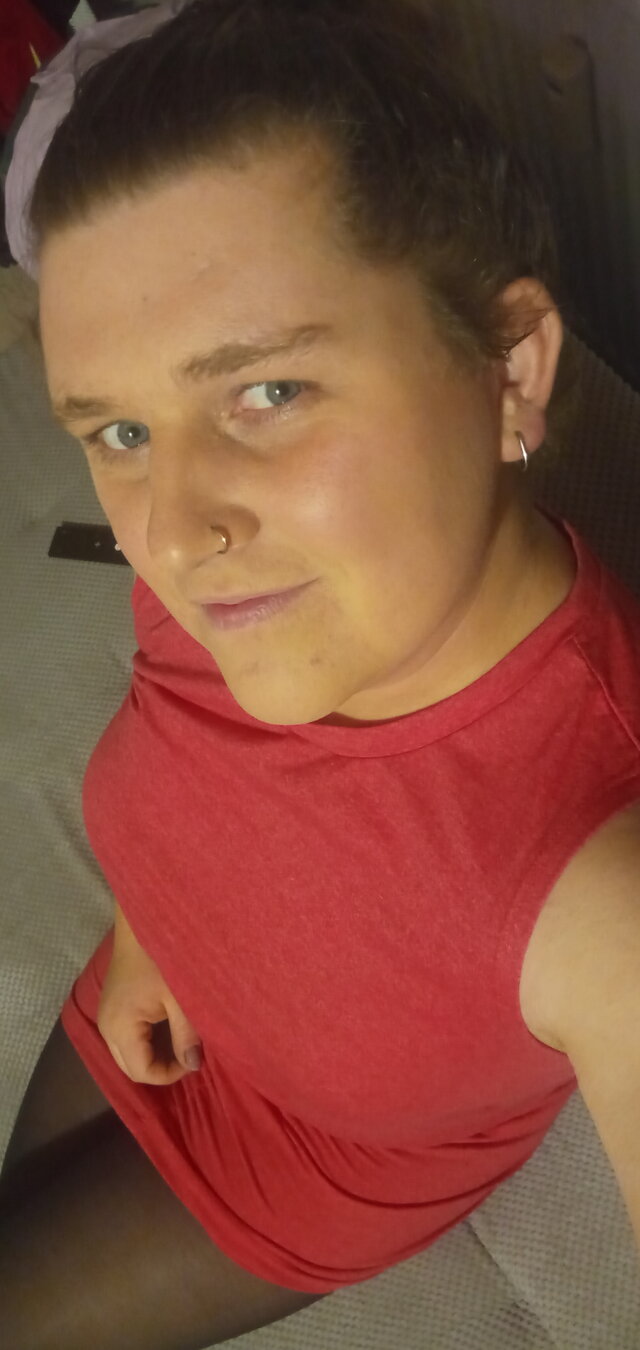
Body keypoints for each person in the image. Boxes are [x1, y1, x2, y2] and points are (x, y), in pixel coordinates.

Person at [2, 0, 640, 1346]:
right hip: (152, 984)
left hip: (306, 1171)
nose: (176, 534)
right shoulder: (256, 575)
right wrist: (153, 934)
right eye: (120, 431)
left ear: (511, 369)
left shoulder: (598, 878)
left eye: (268, 393)